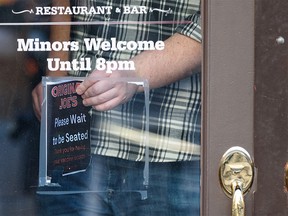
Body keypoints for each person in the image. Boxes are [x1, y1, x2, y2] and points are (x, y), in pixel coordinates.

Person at [32, 0, 202, 215]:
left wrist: (135, 73)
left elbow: (217, 23)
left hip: (167, 149)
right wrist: (55, 77)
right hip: (75, 143)